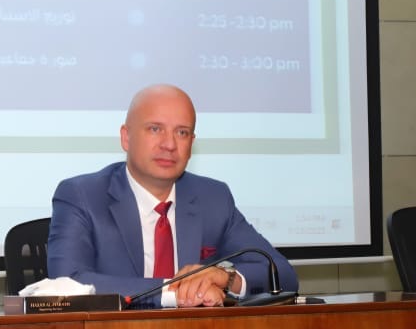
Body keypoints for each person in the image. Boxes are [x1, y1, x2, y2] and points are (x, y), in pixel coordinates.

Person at [47, 84, 298, 308]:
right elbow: (67, 282)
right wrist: (175, 292)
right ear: (126, 137)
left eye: (182, 133)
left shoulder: (213, 198)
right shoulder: (82, 196)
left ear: (192, 143)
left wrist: (224, 278)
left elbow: (282, 274)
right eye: (155, 129)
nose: (169, 144)